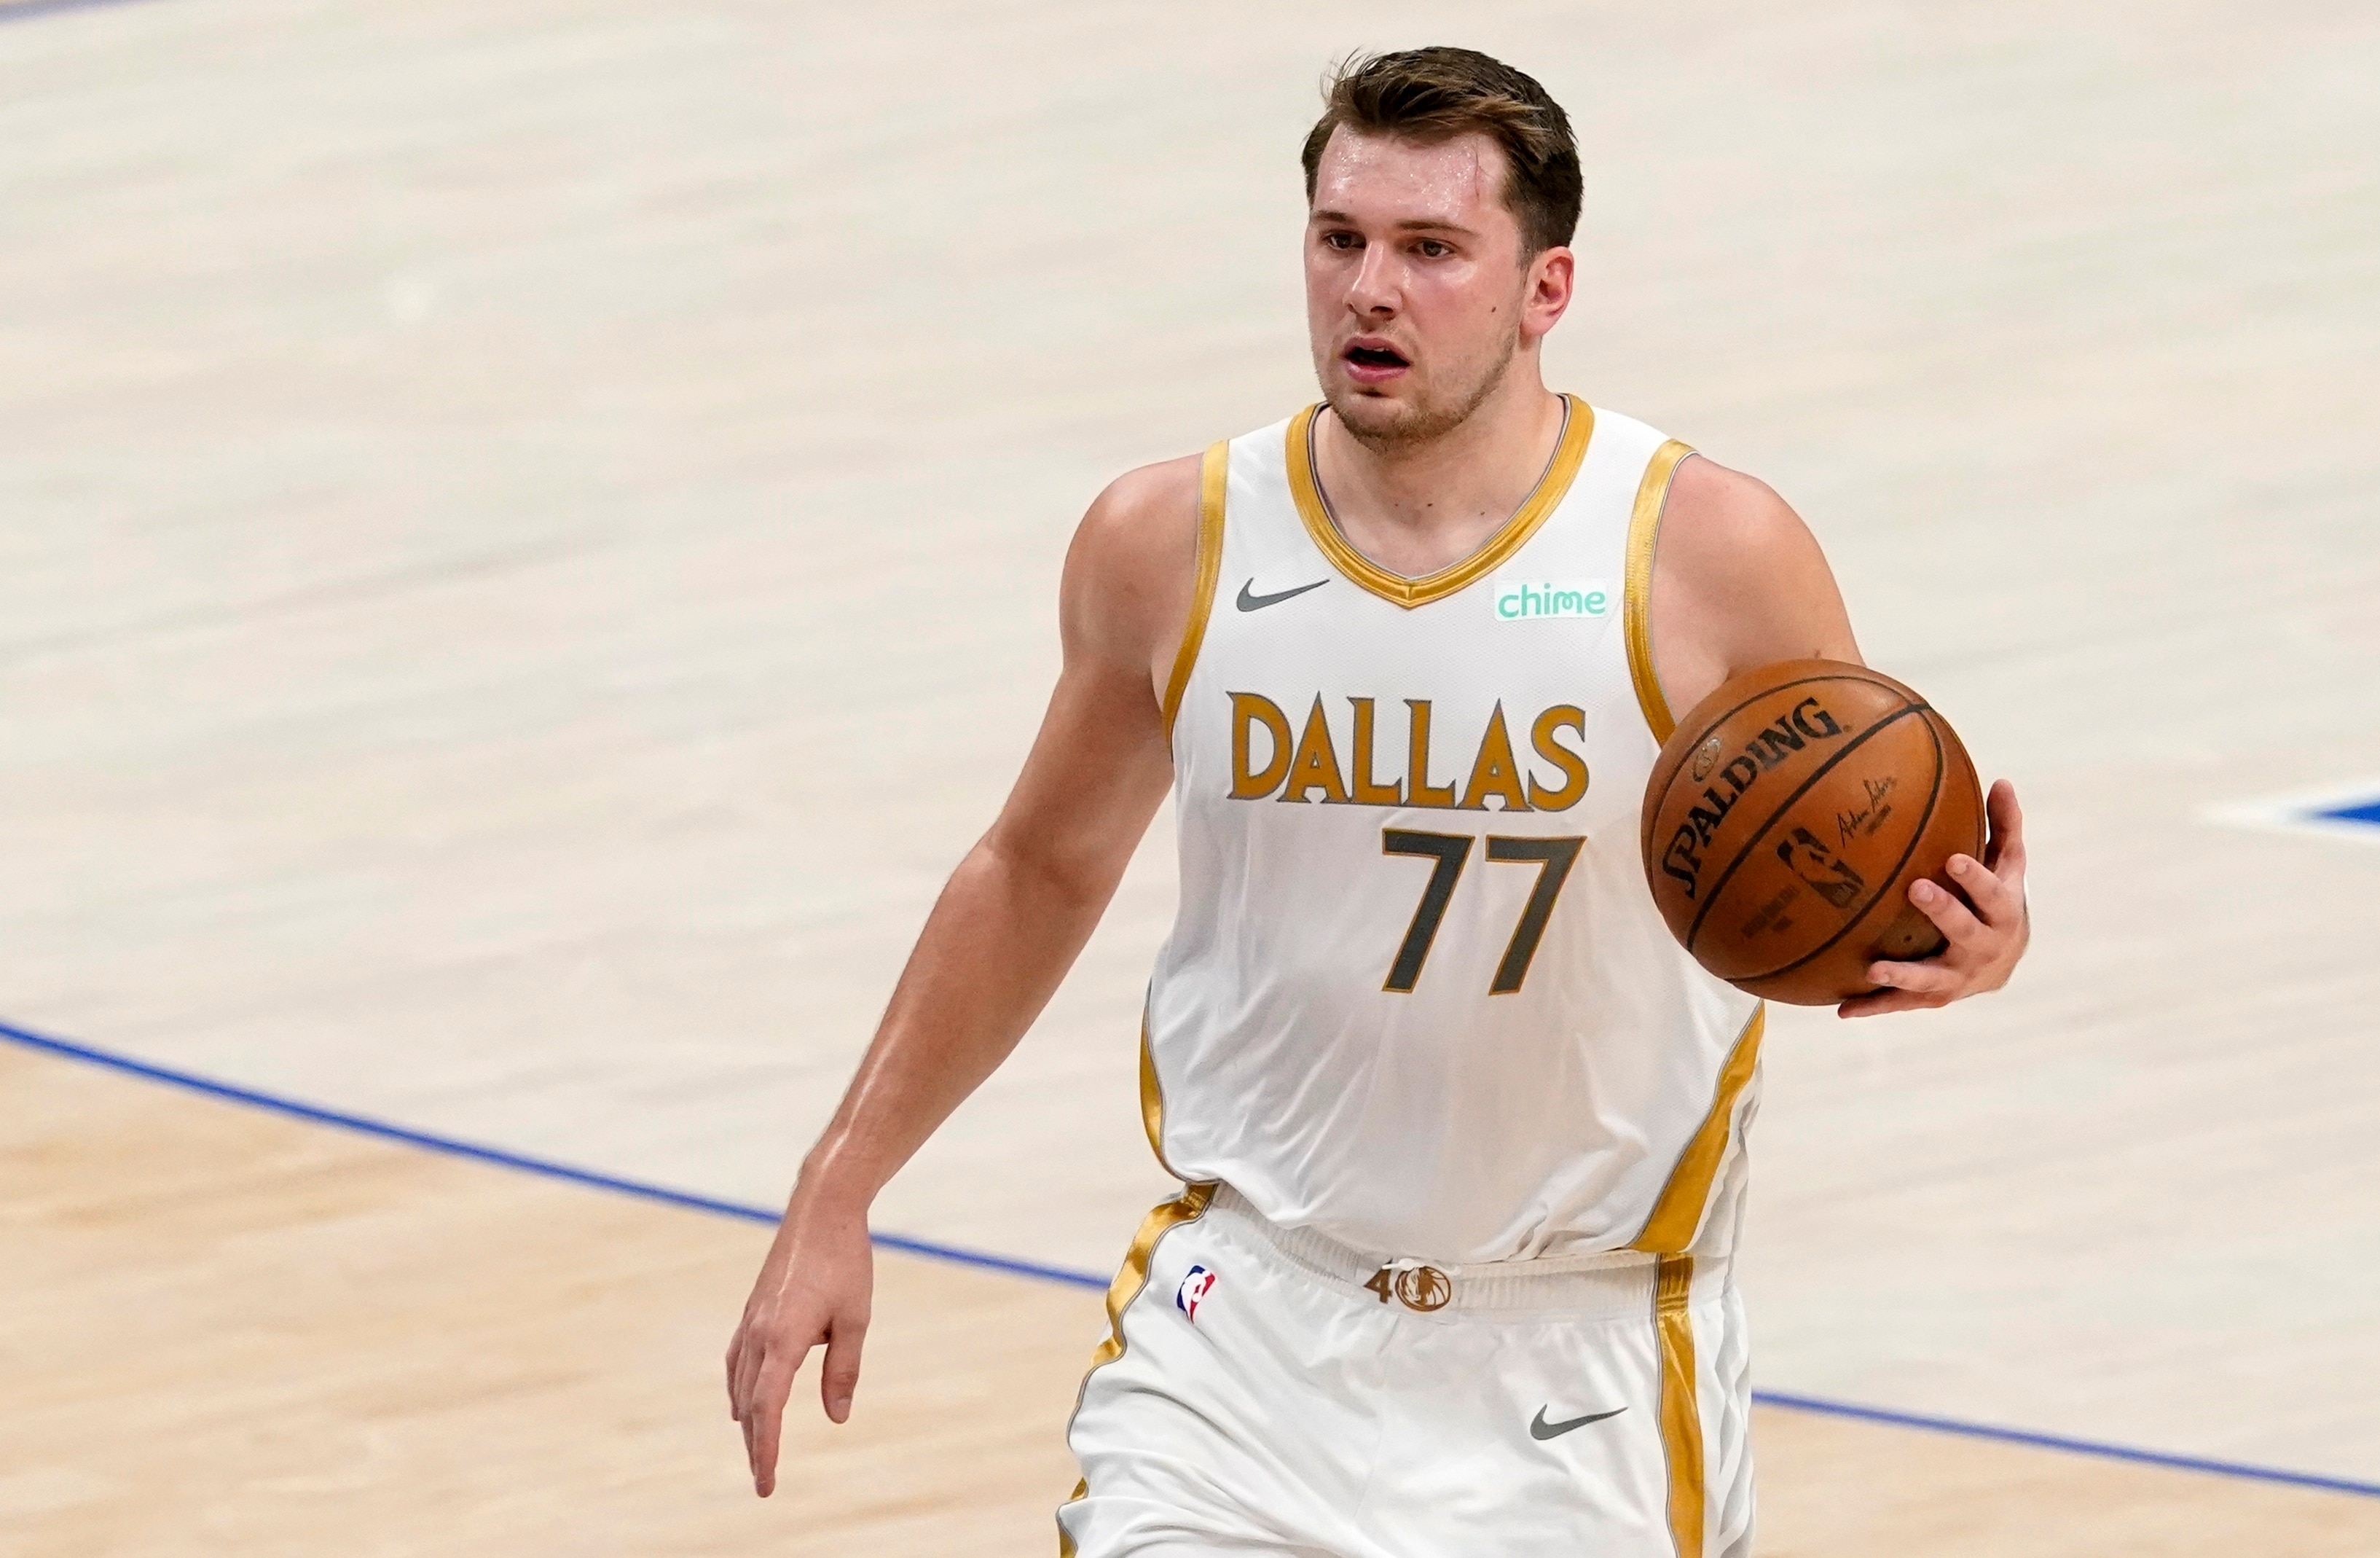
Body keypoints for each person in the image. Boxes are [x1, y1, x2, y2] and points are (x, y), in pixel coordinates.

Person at [725, 46, 2030, 1557]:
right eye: (1339, 239)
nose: (1368, 288)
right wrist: (839, 1182)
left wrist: (1966, 941)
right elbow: (1035, 869)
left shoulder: (1707, 553)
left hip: (1575, 1360)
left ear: (1543, 288)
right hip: (1242, 1333)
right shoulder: (1169, 541)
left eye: (1428, 249)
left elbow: (1860, 864)